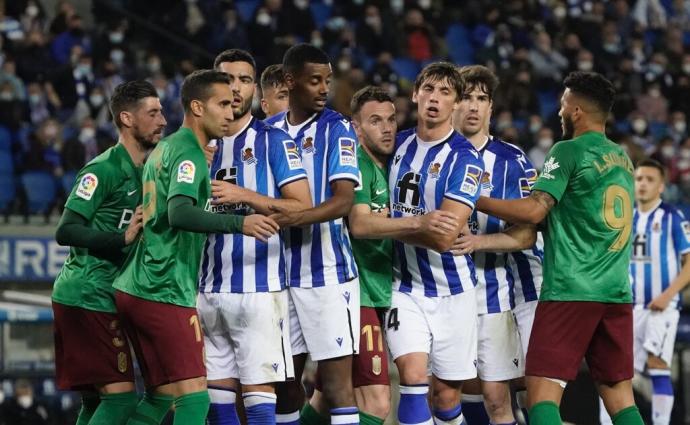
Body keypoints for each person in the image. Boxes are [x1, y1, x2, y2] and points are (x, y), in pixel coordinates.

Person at [474, 71, 644, 425]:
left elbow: (535, 210)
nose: (559, 112)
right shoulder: (623, 159)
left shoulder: (567, 150)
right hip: (615, 292)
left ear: (577, 110)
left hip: (570, 289)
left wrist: (474, 198)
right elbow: (583, 214)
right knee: (620, 396)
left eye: (564, 104)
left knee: (541, 397)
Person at [112, 70, 280, 425]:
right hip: (163, 287)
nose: (230, 113)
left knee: (158, 397)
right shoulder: (188, 153)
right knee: (194, 398)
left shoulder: (168, 147)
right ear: (197, 107)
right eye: (222, 104)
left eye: (233, 105)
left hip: (135, 286)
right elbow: (179, 213)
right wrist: (242, 223)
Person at [306, 87, 457, 425]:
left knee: (325, 396)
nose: (387, 128)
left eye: (391, 120)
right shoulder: (356, 164)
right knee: (375, 402)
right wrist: (420, 223)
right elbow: (359, 225)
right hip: (354, 293)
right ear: (356, 128)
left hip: (372, 290)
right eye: (375, 122)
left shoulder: (389, 165)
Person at [197, 49, 312, 425]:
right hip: (207, 287)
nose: (235, 87)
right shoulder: (194, 146)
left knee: (262, 398)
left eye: (245, 80)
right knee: (218, 403)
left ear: (253, 88)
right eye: (227, 79)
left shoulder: (272, 140)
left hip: (259, 288)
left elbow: (302, 206)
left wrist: (246, 197)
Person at [52, 80, 166, 425]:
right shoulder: (103, 169)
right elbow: (66, 230)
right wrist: (122, 237)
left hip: (101, 296)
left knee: (94, 403)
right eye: (153, 113)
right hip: (88, 294)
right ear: (127, 119)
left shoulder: (145, 171)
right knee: (119, 401)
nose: (162, 120)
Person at [265, 43, 361, 425]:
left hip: (327, 276)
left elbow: (343, 201)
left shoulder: (337, 129)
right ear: (289, 82)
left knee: (337, 388)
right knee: (284, 385)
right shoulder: (267, 131)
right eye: (315, 80)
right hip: (276, 275)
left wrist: (296, 217)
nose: (324, 88)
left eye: (328, 80)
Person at [385, 61, 483, 425]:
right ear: (415, 94)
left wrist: (382, 225)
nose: (434, 99)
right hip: (404, 286)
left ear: (455, 104)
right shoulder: (395, 144)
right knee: (412, 381)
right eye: (428, 89)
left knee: (445, 397)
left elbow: (443, 235)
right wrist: (417, 222)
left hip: (454, 291)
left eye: (445, 93)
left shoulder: (465, 159)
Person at [450, 65, 541, 425]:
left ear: (491, 108)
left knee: (501, 395)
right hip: (438, 292)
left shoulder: (512, 161)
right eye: (466, 97)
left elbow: (528, 233)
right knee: (448, 390)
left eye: (481, 99)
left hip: (500, 291)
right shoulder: (425, 152)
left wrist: (476, 242)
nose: (473, 106)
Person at [600, 159, 690, 425]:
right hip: (628, 306)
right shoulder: (623, 218)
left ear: (661, 186)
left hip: (662, 307)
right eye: (638, 179)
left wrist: (668, 295)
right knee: (614, 372)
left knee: (658, 364)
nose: (642, 184)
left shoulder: (673, 216)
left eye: (649, 180)